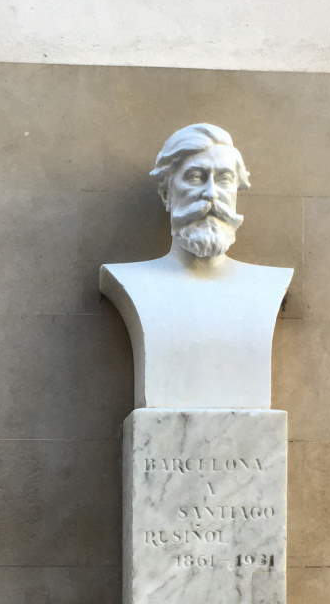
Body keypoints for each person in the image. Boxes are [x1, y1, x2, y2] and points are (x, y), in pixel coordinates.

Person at [100, 123, 293, 409]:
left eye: (225, 179)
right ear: (167, 193)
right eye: (195, 177)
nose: (211, 194)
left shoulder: (268, 286)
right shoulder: (132, 281)